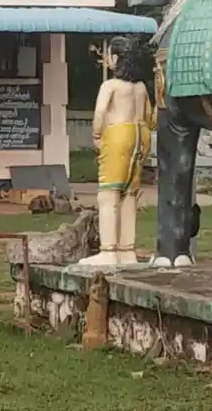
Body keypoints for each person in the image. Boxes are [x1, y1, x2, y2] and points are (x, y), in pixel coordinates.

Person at [79, 36, 154, 266]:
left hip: (118, 134)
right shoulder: (140, 87)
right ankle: (127, 250)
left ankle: (109, 251)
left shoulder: (110, 86)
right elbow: (150, 117)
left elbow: (100, 113)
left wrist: (97, 136)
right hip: (140, 135)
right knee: (130, 194)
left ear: (116, 58)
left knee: (109, 194)